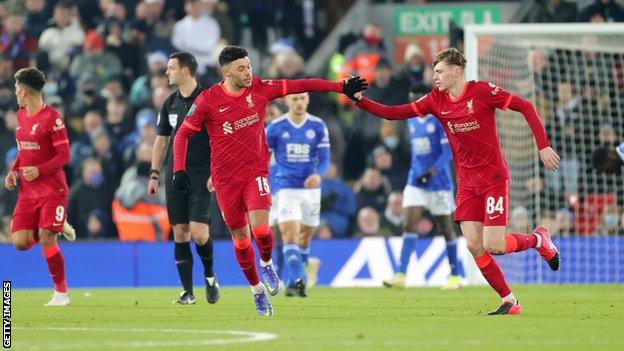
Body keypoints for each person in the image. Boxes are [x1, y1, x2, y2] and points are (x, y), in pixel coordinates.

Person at [346, 47, 561, 315]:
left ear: (456, 72)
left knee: (494, 245)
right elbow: (393, 113)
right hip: (467, 183)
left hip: (493, 178)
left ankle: (540, 240)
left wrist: (543, 146)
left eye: (439, 71)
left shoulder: (482, 92)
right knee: (473, 245)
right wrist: (360, 100)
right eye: (434, 71)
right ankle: (509, 301)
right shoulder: (435, 99)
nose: (434, 76)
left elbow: (526, 106)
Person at [172, 46, 366, 316]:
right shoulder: (207, 101)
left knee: (261, 230)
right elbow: (182, 134)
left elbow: (303, 83)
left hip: (255, 173)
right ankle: (258, 292)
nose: (248, 72)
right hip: (225, 180)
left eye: (249, 66)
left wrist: (340, 86)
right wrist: (178, 170)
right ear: (226, 72)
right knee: (240, 239)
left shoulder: (261, 88)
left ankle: (266, 262)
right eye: (241, 68)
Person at [148, 52, 220, 305]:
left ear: (185, 71)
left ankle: (210, 276)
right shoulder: (170, 103)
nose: (167, 72)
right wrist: (154, 174)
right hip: (175, 174)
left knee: (199, 234)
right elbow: (162, 139)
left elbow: (219, 139)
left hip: (202, 174)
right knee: (180, 232)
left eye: (171, 68)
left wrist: (216, 170)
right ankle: (187, 292)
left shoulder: (209, 99)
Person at [5, 67, 75, 306]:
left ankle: (61, 293)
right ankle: (54, 224)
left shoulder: (52, 119)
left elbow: (65, 155)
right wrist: (14, 170)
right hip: (27, 192)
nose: (15, 93)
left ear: (24, 92)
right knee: (20, 242)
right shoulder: (21, 116)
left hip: (52, 189)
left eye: (16, 89)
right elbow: (24, 151)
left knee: (47, 238)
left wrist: (40, 170)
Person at [383, 84, 461, 290]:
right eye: (412, 99)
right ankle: (400, 274)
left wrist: (431, 172)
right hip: (415, 181)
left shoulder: (439, 120)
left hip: (439, 183)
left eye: (418, 99)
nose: (415, 103)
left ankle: (455, 275)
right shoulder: (410, 120)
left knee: (445, 227)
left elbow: (448, 153)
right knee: (410, 223)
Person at [265, 92, 330, 297]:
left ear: (308, 100)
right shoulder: (275, 128)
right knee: (289, 236)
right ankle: (300, 278)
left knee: (304, 239)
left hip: (311, 191)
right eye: (294, 99)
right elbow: (262, 156)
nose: (299, 103)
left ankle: (294, 282)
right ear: (287, 101)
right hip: (286, 189)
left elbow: (325, 159)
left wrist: (318, 176)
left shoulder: (318, 126)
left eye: (302, 98)